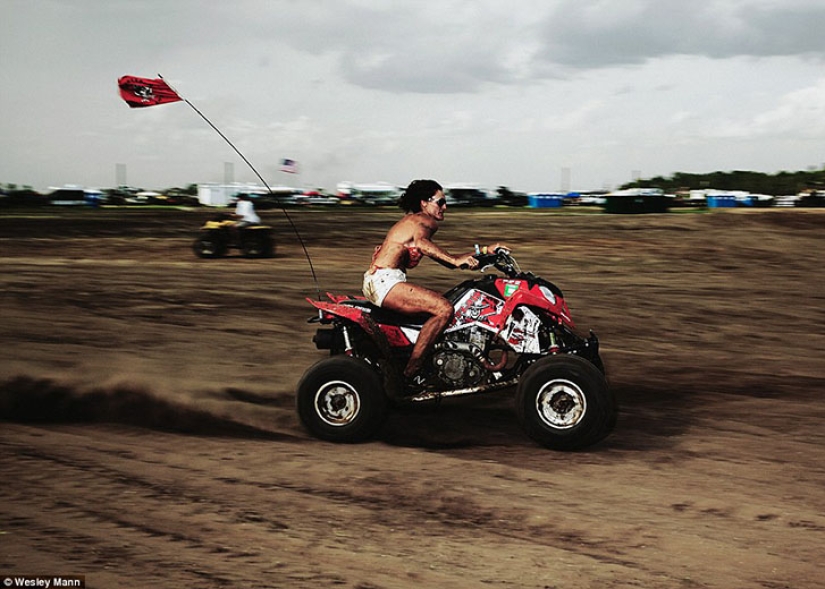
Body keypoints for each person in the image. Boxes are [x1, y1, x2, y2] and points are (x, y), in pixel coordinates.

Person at [362, 179, 505, 386]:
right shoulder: (424, 220)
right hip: (385, 282)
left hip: (382, 280)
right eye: (440, 202)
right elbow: (423, 244)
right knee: (443, 309)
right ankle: (410, 374)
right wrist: (456, 261)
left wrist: (484, 252)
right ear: (424, 203)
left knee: (451, 303)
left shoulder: (413, 221)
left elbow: (446, 260)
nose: (445, 207)